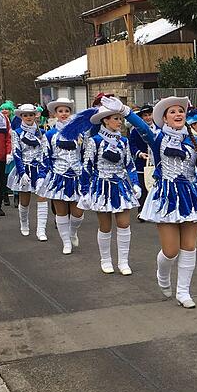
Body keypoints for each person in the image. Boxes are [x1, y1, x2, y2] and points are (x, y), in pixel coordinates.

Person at [125, 96, 197, 308]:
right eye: (172, 112)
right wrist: (126, 112)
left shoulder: (195, 141)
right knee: (170, 251)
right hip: (167, 197)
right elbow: (142, 128)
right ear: (165, 118)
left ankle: (183, 292)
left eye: (181, 111)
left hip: (191, 196)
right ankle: (162, 273)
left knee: (189, 247)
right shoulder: (157, 138)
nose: (178, 114)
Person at [72, 96, 142, 274]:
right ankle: (106, 259)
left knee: (124, 223)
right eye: (116, 118)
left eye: (120, 118)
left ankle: (123, 262)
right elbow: (87, 167)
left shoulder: (123, 142)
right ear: (105, 120)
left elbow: (130, 165)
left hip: (121, 187)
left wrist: (135, 183)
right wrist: (85, 191)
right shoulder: (94, 141)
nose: (120, 122)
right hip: (101, 186)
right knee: (105, 226)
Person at [38, 97, 85, 253]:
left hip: (77, 176)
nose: (64, 114)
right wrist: (43, 177)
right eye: (60, 111)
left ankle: (72, 232)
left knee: (78, 213)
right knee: (61, 211)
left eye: (67, 111)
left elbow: (85, 154)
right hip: (58, 177)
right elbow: (45, 157)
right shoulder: (50, 134)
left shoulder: (80, 133)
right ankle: (66, 242)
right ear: (55, 114)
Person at [7, 104, 48, 239]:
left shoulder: (41, 132)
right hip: (24, 169)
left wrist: (43, 171)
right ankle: (24, 223)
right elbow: (16, 153)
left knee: (42, 198)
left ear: (35, 116)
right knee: (25, 200)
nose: (29, 117)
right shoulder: (17, 132)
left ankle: (41, 230)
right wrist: (22, 172)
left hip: (39, 169)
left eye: (31, 114)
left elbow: (44, 152)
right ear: (21, 117)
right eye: (25, 115)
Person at [129, 104, 156, 220]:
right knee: (144, 187)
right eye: (145, 115)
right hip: (142, 163)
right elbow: (132, 145)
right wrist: (139, 153)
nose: (148, 117)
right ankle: (141, 211)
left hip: (157, 163)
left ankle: (155, 211)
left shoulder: (159, 128)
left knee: (156, 187)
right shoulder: (135, 130)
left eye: (150, 114)